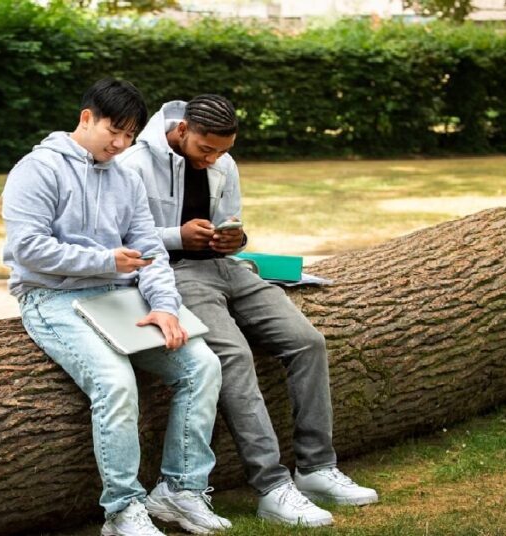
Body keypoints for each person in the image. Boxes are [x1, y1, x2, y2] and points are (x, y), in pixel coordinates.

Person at [117, 94, 379, 527]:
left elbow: (230, 221)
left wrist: (234, 239)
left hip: (228, 269)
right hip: (174, 275)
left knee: (307, 342)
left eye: (223, 151)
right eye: (207, 150)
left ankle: (316, 468)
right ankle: (272, 487)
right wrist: (179, 236)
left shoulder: (223, 161)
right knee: (234, 358)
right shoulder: (134, 164)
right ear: (182, 131)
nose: (214, 159)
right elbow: (128, 238)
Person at [1, 79, 232, 536]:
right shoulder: (36, 169)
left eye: (130, 135)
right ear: (86, 117)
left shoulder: (124, 176)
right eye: (115, 131)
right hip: (51, 297)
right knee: (115, 382)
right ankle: (123, 510)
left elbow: (150, 250)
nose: (121, 143)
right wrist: (103, 260)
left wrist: (166, 306)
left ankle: (182, 491)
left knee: (202, 365)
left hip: (120, 298)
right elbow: (27, 249)